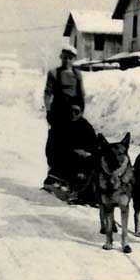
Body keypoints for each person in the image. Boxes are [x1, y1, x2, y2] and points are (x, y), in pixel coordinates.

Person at [42, 43, 86, 189]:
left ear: (74, 59)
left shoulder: (77, 74)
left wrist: (80, 111)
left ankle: (73, 175)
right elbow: (48, 93)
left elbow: (81, 95)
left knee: (76, 144)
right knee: (55, 144)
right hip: (58, 113)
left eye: (70, 58)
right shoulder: (54, 73)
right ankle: (53, 174)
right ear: (61, 57)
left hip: (73, 113)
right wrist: (49, 111)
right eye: (65, 57)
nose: (67, 61)